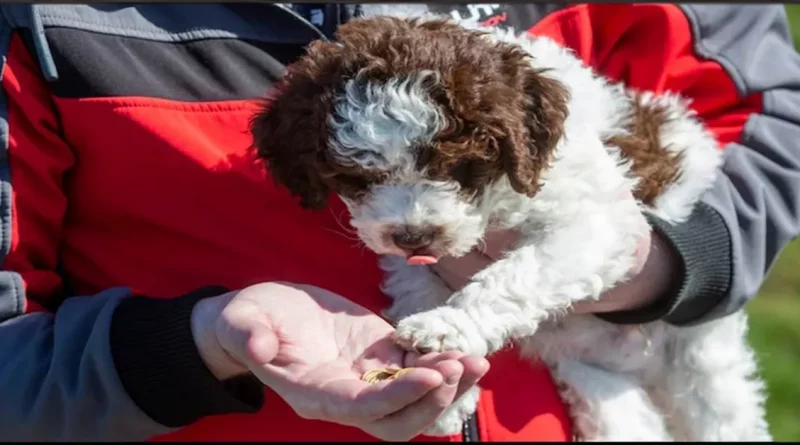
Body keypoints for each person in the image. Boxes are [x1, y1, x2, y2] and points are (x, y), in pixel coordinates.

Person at [0, 2, 798, 442]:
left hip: (658, 320)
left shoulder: (520, 93)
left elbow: (764, 110)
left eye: (452, 174)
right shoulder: (42, 25)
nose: (410, 221)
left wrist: (675, 261)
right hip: (570, 370)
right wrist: (200, 342)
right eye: (364, 182)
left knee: (715, 406)